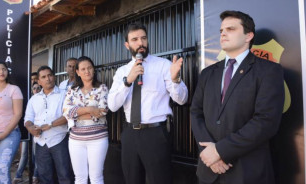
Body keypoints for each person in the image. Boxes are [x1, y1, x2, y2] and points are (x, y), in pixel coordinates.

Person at [190, 10, 285, 184]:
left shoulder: (269, 71)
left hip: (247, 173)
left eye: (231, 29)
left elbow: (266, 122)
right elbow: (196, 113)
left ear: (248, 36)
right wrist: (209, 153)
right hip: (208, 172)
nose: (223, 33)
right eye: (221, 30)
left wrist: (220, 151)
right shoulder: (207, 73)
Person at [108, 23, 188, 184]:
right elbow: (112, 105)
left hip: (155, 134)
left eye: (143, 38)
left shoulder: (164, 65)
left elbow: (182, 99)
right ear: (127, 45)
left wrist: (175, 79)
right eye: (135, 39)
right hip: (130, 134)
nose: (140, 43)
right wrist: (127, 82)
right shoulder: (122, 72)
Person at [63, 56, 108, 184]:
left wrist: (77, 113)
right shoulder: (72, 90)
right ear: (77, 72)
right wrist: (90, 109)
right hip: (76, 140)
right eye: (83, 69)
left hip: (97, 139)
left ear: (93, 69)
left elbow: (103, 111)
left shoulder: (102, 88)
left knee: (96, 177)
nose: (86, 71)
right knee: (80, 178)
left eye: (89, 68)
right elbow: (66, 111)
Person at [24, 66, 73, 184]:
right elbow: (28, 119)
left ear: (54, 77)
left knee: (65, 175)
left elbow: (69, 115)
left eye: (50, 75)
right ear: (39, 81)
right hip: (41, 142)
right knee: (44, 177)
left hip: (60, 140)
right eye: (44, 77)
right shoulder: (34, 99)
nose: (48, 79)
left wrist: (50, 125)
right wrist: (31, 128)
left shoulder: (65, 94)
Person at [0, 60, 23, 184]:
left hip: (9, 134)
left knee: (0, 171)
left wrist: (4, 134)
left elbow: (18, 114)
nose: (2, 72)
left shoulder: (13, 89)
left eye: (4, 69)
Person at [13, 82, 41, 184]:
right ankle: (18, 175)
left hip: (37, 130)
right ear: (32, 90)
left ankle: (35, 176)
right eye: (34, 88)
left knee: (35, 154)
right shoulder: (28, 100)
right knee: (24, 154)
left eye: (38, 88)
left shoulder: (42, 100)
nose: (36, 90)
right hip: (27, 130)